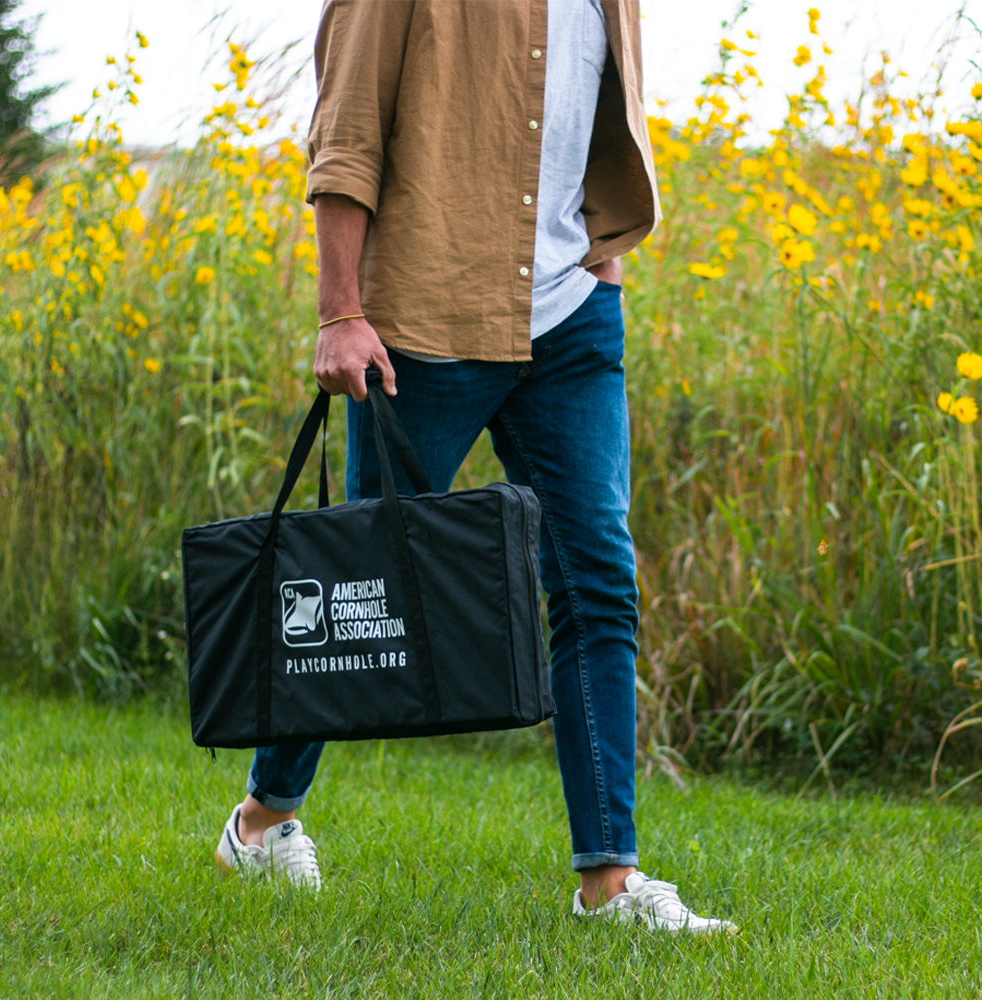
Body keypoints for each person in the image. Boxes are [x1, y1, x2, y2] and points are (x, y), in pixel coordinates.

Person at [215, 0, 737, 934]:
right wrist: (341, 312)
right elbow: (346, 129)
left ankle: (608, 885)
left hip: (573, 316)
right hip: (425, 320)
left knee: (597, 584)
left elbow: (596, 107)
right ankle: (264, 817)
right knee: (357, 582)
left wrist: (603, 262)